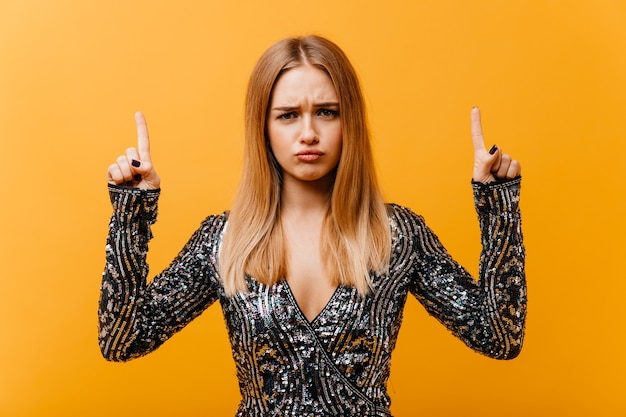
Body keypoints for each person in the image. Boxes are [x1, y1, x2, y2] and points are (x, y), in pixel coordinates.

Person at [99, 35, 526, 416]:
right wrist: (132, 211)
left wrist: (499, 206)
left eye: (326, 112)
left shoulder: (397, 236)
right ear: (262, 127)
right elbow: (122, 340)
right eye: (287, 115)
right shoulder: (225, 241)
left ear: (350, 123)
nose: (308, 133)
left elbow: (498, 336)